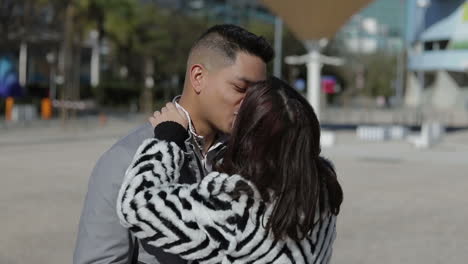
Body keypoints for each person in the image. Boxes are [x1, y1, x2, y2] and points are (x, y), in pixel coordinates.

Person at [73, 24, 273, 264]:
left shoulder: (250, 156)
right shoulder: (126, 159)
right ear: (198, 77)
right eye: (241, 88)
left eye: (259, 94)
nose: (252, 103)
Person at [117, 77, 344, 263]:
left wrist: (168, 139)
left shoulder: (238, 208)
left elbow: (136, 205)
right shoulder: (322, 190)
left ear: (250, 136)